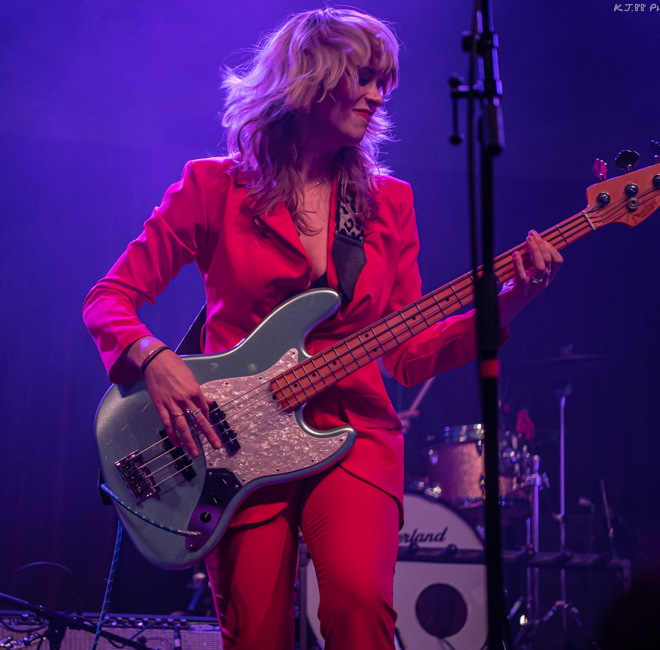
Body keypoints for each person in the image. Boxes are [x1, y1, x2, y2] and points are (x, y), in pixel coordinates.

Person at [83, 8, 562, 649]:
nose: (376, 94)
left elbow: (409, 355)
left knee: (360, 607)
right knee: (254, 633)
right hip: (234, 444)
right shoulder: (211, 188)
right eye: (363, 77)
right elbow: (109, 298)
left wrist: (505, 305)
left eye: (382, 81)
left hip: (354, 432)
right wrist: (152, 356)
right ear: (311, 78)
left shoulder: (390, 203)